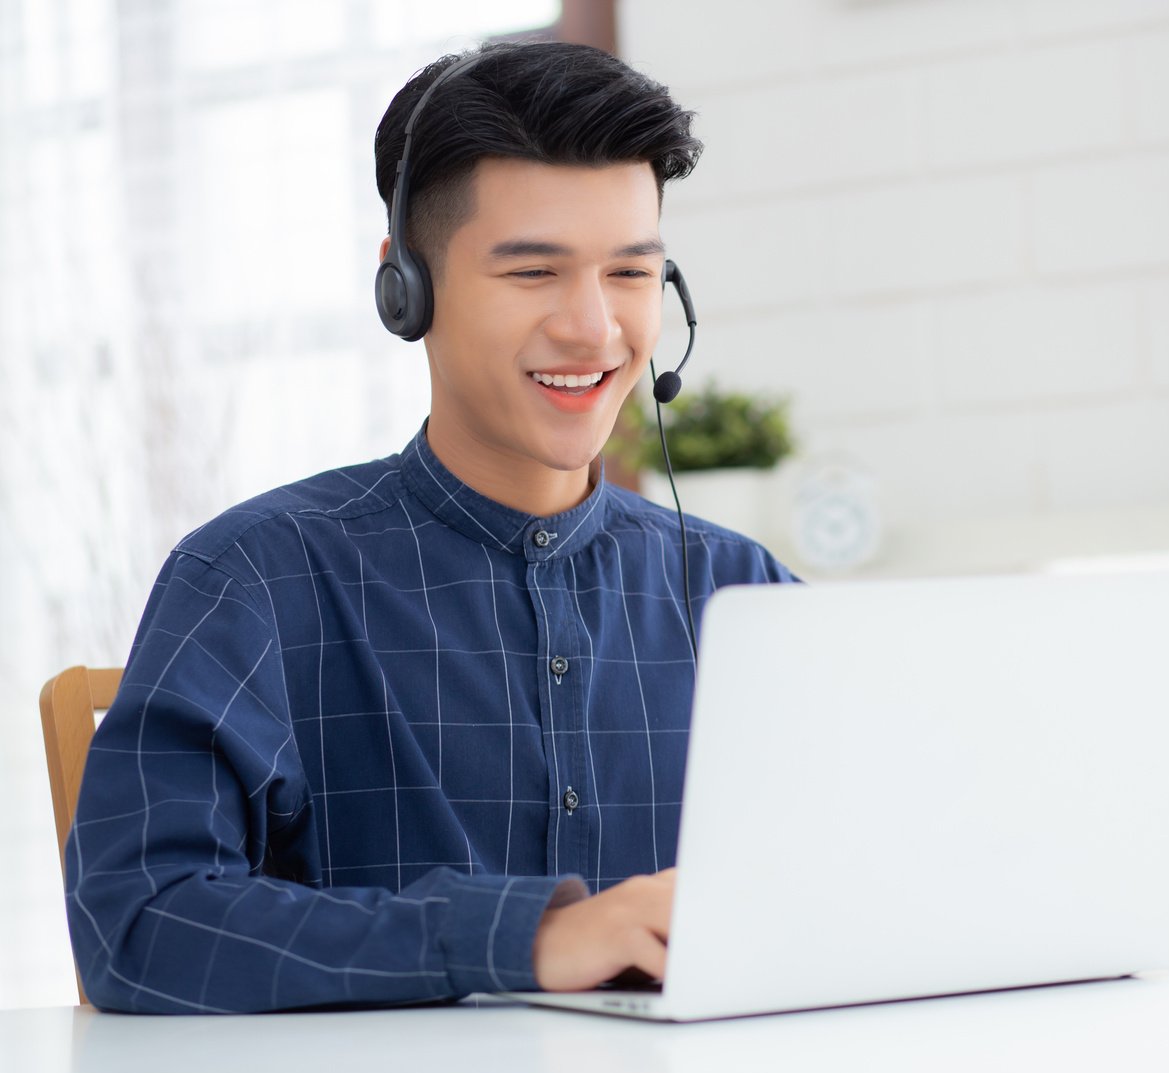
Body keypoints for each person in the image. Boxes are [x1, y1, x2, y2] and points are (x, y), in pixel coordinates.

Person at [64, 40, 796, 1014]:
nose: (594, 328)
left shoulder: (741, 592)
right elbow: (139, 924)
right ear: (404, 288)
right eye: (534, 272)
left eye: (629, 273)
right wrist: (527, 939)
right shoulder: (255, 578)